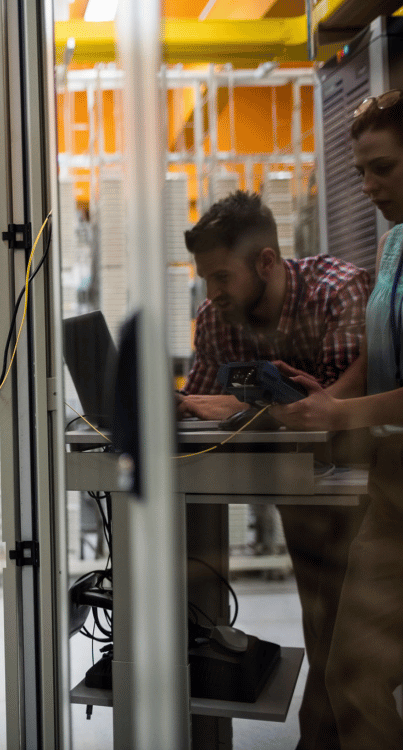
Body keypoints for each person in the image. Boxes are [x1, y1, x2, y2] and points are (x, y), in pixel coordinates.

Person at [177, 190, 371, 750]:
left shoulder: (335, 290)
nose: (211, 294)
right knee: (322, 627)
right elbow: (205, 407)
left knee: (352, 637)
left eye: (221, 277)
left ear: (266, 262)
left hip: (361, 484)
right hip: (295, 490)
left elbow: (331, 414)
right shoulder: (218, 319)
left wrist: (239, 410)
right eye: (205, 280)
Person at [274, 89, 403, 748]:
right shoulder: (393, 247)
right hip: (390, 481)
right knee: (352, 666)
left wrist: (341, 410)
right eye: (359, 171)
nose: (368, 185)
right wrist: (324, 394)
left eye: (382, 167)